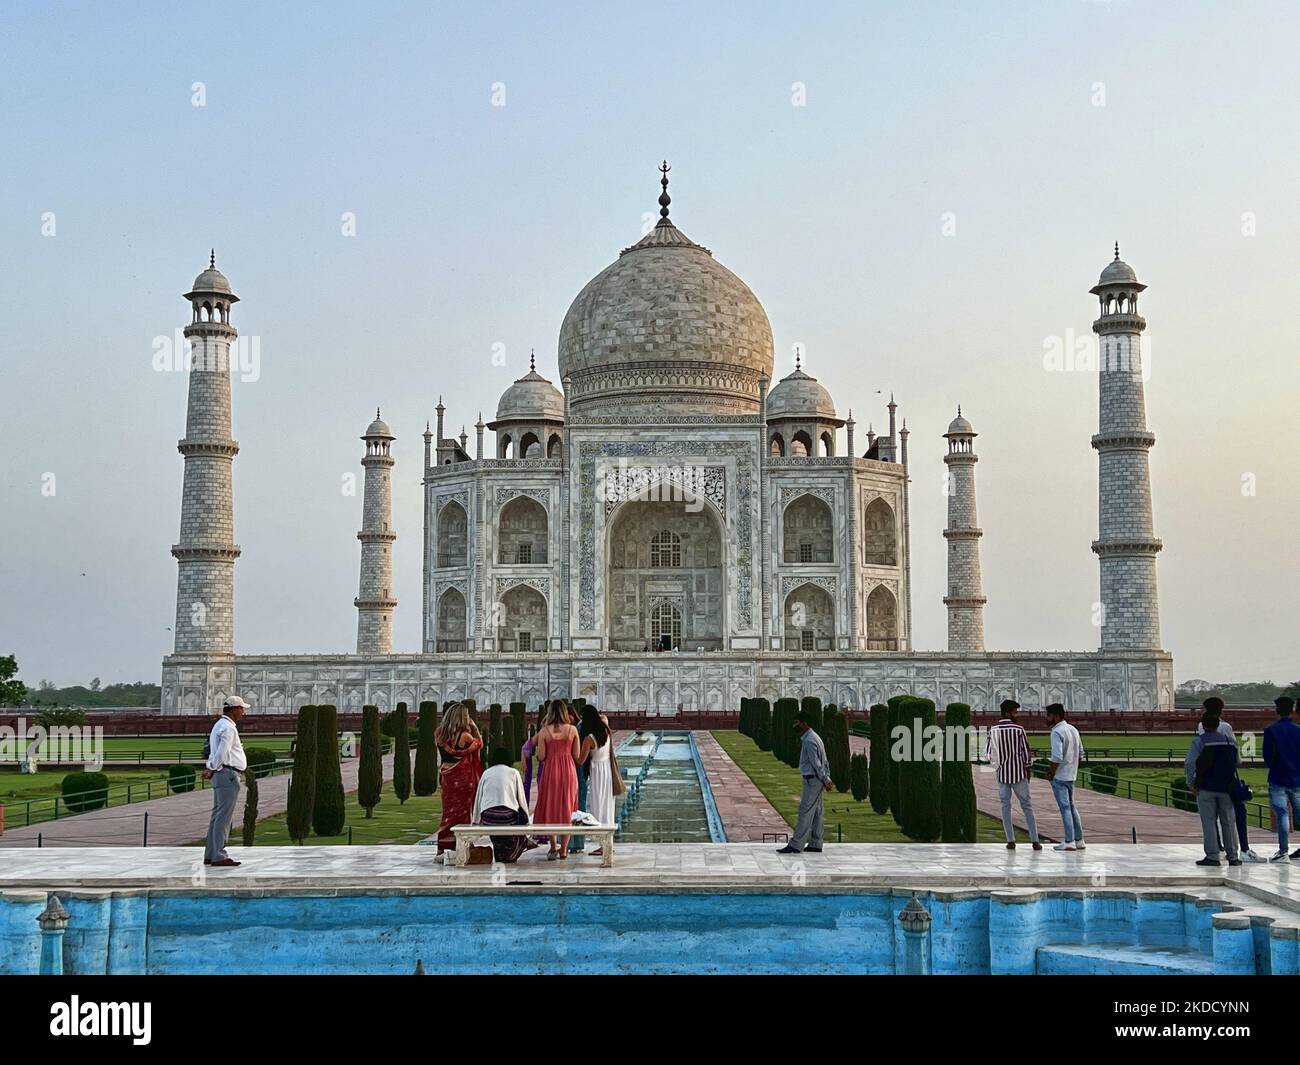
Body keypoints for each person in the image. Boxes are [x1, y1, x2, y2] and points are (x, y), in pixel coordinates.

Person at [1185, 711, 1241, 867]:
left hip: (1206, 787)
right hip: (1227, 787)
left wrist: (1191, 783)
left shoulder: (1200, 741)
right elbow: (1236, 762)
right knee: (1229, 822)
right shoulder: (1229, 741)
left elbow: (1190, 764)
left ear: (1203, 725)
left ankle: (1213, 856)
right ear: (1218, 725)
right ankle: (1233, 856)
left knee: (1209, 822)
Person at [987, 700, 1042, 851]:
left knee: (1005, 806)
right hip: (1019, 773)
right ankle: (1035, 841)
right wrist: (1028, 770)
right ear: (1008, 713)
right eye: (1015, 712)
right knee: (1027, 806)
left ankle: (1010, 840)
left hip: (1002, 774)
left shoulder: (993, 730)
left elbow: (989, 754)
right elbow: (1026, 753)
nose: (1016, 714)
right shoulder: (1019, 730)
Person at [777, 710, 833, 854]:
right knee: (817, 813)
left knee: (805, 812)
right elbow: (824, 761)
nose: (794, 725)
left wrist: (826, 780)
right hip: (817, 780)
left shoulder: (809, 740)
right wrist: (826, 778)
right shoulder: (815, 737)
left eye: (797, 723)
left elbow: (817, 764)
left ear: (804, 724)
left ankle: (796, 844)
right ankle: (816, 843)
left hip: (813, 780)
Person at [202, 696, 248, 867]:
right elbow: (222, 752)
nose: (244, 712)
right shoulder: (228, 728)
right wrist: (212, 767)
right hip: (227, 774)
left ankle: (211, 854)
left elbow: (215, 753)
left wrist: (211, 767)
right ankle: (219, 855)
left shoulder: (219, 725)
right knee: (223, 817)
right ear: (234, 709)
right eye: (242, 709)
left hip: (221, 773)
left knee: (217, 815)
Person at [434, 701, 484, 854]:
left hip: (447, 777)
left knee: (448, 814)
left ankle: (443, 848)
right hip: (462, 779)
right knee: (462, 814)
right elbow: (479, 743)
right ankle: (462, 846)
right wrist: (474, 726)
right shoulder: (465, 736)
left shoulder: (439, 734)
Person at [534, 699, 580, 859]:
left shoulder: (544, 731)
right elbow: (576, 756)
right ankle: (565, 849)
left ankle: (553, 847)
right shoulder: (573, 730)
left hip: (551, 771)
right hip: (568, 770)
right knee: (567, 808)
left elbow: (541, 756)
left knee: (551, 806)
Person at [472, 747, 533, 863]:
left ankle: (501, 853)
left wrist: (476, 820)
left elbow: (478, 798)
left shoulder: (486, 773)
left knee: (498, 830)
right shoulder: (514, 773)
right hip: (507, 816)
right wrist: (527, 822)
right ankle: (520, 844)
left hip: (488, 816)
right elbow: (521, 799)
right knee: (514, 821)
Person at [1263, 696, 1300, 862]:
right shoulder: (1298, 729)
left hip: (1278, 778)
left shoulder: (1271, 730)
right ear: (1292, 710)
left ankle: (1283, 851)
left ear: (1276, 710)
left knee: (1283, 815)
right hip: (1297, 778)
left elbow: (1267, 756)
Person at [1044, 703, 1085, 851]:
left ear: (1056, 716)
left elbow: (1056, 756)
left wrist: (1051, 772)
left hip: (1060, 776)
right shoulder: (1073, 729)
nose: (1046, 718)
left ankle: (1069, 841)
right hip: (1071, 775)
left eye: (1048, 715)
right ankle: (1079, 840)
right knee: (1072, 806)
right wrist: (1072, 767)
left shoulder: (1056, 732)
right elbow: (1081, 754)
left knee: (1065, 808)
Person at [577, 704, 615, 856]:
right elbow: (604, 718)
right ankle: (609, 843)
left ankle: (603, 845)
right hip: (607, 771)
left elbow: (580, 760)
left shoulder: (589, 738)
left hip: (597, 773)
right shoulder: (606, 731)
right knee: (608, 807)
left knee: (598, 807)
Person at [569, 703, 588, 854]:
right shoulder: (566, 729)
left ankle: (577, 843)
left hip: (577, 769)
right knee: (567, 806)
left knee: (579, 806)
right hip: (568, 770)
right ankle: (567, 843)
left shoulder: (579, 728)